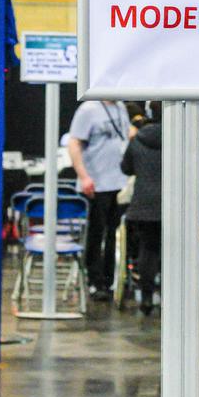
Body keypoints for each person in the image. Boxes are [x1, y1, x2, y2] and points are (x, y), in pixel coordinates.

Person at [67, 100, 131, 301]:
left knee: (114, 234)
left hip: (119, 183)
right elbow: (74, 143)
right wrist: (84, 176)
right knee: (96, 233)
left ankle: (110, 280)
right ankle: (94, 281)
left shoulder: (121, 107)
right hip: (97, 184)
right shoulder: (88, 109)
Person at [121, 102, 162, 316]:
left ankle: (146, 297)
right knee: (174, 251)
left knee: (148, 249)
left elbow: (126, 167)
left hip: (143, 203)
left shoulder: (138, 138)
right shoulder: (180, 137)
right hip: (172, 202)